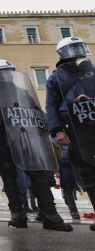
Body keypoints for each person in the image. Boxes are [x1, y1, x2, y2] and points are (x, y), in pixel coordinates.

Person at [0, 59, 72, 231]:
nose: (6, 76)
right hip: (0, 141)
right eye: (2, 73)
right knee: (8, 174)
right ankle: (17, 214)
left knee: (38, 174)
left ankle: (50, 215)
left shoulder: (22, 92)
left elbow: (36, 114)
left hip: (26, 140)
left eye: (9, 72)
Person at [45, 36, 95, 231]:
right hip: (74, 128)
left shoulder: (92, 73)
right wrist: (57, 130)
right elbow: (52, 106)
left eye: (78, 47)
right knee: (87, 173)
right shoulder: (56, 78)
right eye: (71, 48)